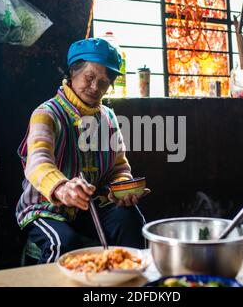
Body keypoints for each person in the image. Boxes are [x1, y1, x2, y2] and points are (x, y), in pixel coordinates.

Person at [16, 38, 151, 264]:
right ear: (73, 72)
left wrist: (122, 189)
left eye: (104, 82)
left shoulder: (107, 118)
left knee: (131, 221)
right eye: (89, 78)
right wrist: (62, 187)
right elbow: (38, 161)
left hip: (91, 207)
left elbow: (118, 166)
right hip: (46, 207)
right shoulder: (47, 113)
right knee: (62, 244)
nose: (95, 87)